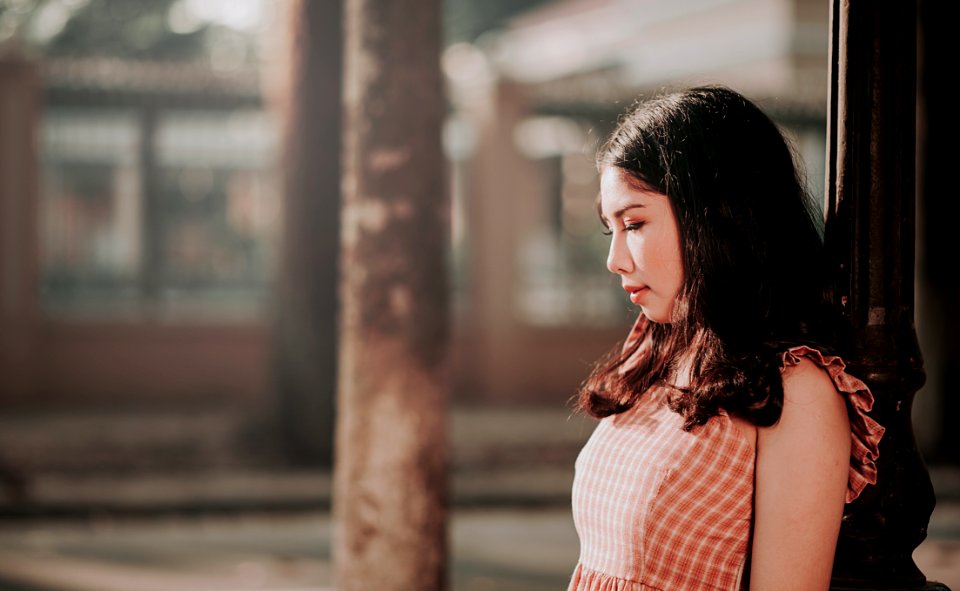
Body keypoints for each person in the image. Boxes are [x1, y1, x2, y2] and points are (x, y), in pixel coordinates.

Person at [567, 86, 884, 591]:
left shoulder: (794, 390)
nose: (615, 260)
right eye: (611, 230)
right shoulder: (657, 349)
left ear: (715, 215)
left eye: (634, 223)